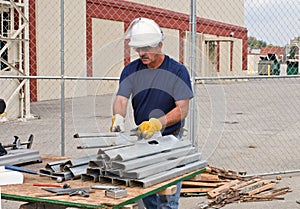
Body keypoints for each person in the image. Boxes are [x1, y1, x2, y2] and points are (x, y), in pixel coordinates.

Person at [110, 17, 193, 209]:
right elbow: (121, 99)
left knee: (167, 200)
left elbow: (183, 108)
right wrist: (119, 117)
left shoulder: (177, 71)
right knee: (147, 194)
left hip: (170, 139)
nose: (141, 53)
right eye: (138, 49)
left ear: (159, 45)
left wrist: (157, 123)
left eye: (146, 48)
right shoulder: (131, 70)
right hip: (144, 139)